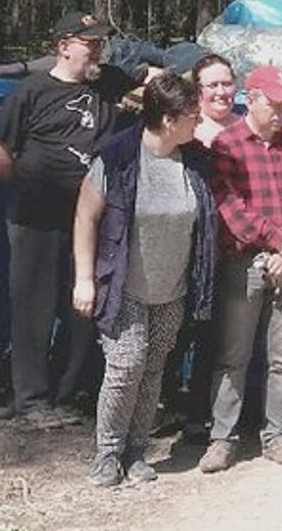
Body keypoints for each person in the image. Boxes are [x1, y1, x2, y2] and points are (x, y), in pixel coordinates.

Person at [0, 12, 134, 427]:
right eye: (89, 43)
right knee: (33, 308)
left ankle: (68, 394)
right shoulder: (30, 92)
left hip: (92, 219)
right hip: (36, 217)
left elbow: (154, 84)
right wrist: (31, 184)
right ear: (63, 45)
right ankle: (31, 402)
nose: (97, 49)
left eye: (101, 42)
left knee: (83, 307)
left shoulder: (109, 83)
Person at [71, 72, 216, 486]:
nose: (199, 123)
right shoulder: (117, 157)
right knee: (125, 365)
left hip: (172, 288)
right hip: (124, 284)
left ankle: (136, 452)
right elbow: (85, 216)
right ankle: (107, 453)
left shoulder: (194, 160)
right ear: (169, 119)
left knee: (153, 369)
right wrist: (84, 278)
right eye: (193, 115)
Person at [198, 65, 282, 473]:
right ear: (251, 99)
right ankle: (222, 438)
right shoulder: (228, 145)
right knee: (233, 353)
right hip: (244, 261)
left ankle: (277, 435)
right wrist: (276, 241)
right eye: (275, 103)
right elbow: (229, 206)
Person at [156, 54, 239, 443]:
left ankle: (197, 412)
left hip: (228, 249)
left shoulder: (245, 130)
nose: (222, 92)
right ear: (198, 91)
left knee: (213, 333)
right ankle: (163, 403)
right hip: (183, 247)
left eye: (227, 83)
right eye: (213, 85)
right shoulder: (186, 133)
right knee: (173, 329)